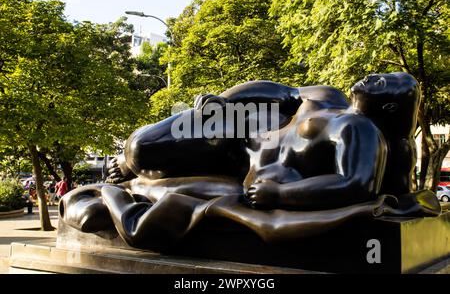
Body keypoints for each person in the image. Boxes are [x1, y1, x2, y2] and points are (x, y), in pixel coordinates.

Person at [60, 73, 441, 250]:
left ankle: (128, 178)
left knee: (144, 156)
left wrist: (282, 193)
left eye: (391, 81)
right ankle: (125, 169)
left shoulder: (363, 133)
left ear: (390, 106)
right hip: (231, 126)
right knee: (139, 149)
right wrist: (226, 102)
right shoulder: (328, 96)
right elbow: (278, 90)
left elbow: (356, 186)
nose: (379, 75)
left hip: (240, 167)